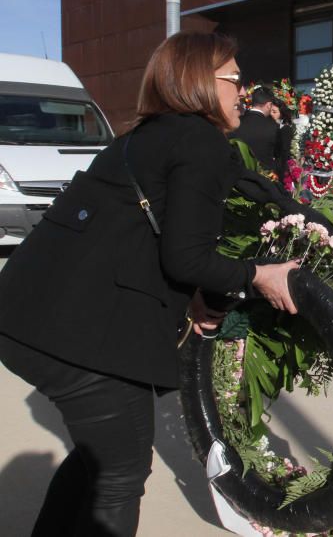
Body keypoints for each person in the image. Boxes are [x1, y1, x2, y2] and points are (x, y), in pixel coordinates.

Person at [0, 31, 300, 536]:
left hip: (29, 317)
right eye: (235, 79)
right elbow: (186, 256)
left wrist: (202, 294)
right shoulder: (198, 141)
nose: (242, 93)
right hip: (72, 335)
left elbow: (149, 241)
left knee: (100, 461)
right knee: (120, 473)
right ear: (202, 82)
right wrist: (259, 275)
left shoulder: (147, 136)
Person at [229, 85, 281, 173]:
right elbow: (278, 154)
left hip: (241, 176)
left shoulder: (237, 122)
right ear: (269, 105)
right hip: (265, 177)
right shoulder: (273, 126)